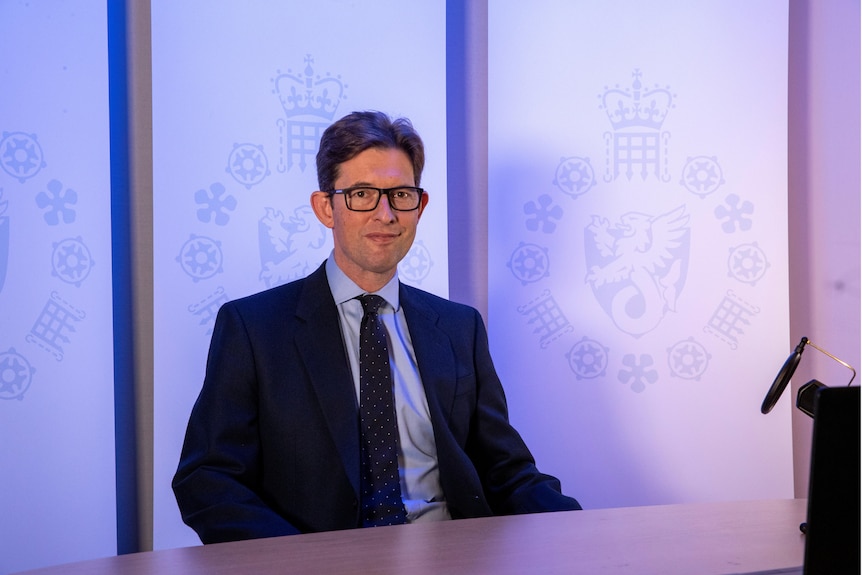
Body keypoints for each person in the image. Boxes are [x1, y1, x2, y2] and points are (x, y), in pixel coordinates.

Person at [172, 110, 581, 544]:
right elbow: (208, 480)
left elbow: (507, 471)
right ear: (325, 208)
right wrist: (301, 563)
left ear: (419, 207)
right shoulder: (253, 329)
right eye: (363, 194)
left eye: (400, 194)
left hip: (452, 559)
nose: (385, 214)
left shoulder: (460, 328)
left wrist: (585, 530)